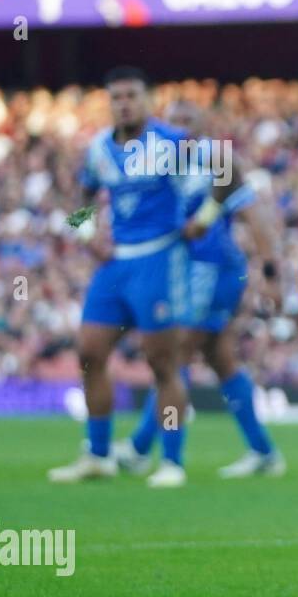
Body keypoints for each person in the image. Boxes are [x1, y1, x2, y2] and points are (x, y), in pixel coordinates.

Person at [48, 67, 226, 489]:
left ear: (148, 99)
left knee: (161, 363)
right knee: (89, 352)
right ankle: (97, 454)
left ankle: (172, 461)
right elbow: (81, 196)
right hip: (115, 264)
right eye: (116, 97)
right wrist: (88, 233)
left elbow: (226, 170)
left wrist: (204, 218)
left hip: (160, 260)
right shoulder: (98, 149)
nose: (123, 104)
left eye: (130, 96)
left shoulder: (172, 142)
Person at [114, 100, 285, 478]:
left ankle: (146, 448)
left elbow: (254, 216)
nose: (180, 127)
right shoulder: (158, 164)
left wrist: (272, 272)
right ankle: (262, 451)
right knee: (220, 358)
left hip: (213, 270)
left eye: (188, 120)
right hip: (187, 271)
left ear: (204, 125)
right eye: (173, 120)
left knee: (175, 355)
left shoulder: (213, 159)